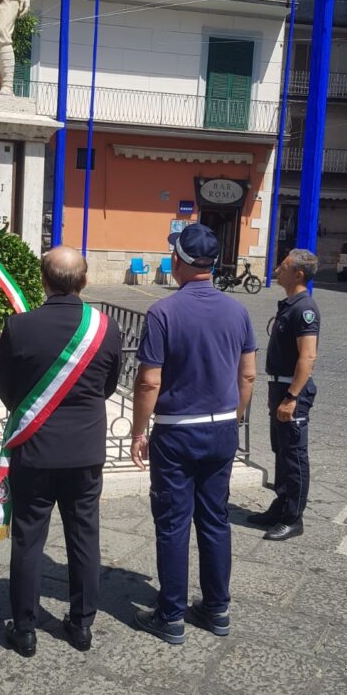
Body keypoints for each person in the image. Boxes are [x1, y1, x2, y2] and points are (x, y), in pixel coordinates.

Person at [130, 224, 257, 644]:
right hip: (220, 429)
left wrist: (138, 431)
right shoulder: (238, 311)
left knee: (172, 523)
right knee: (216, 519)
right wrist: (234, 418)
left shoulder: (164, 312)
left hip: (176, 432)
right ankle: (217, 609)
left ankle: (171, 615)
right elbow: (249, 374)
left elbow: (149, 381)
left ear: (180, 262)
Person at [0, 246, 121, 657]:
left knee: (28, 539)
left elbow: (6, 390)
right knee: (84, 537)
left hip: (34, 449)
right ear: (83, 282)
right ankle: (82, 625)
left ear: (43, 280)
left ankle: (26, 629)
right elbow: (109, 386)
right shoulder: (106, 327)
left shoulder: (19, 326)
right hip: (85, 449)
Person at [247, 249, 320, 542]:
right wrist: (275, 391)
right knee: (281, 451)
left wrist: (291, 397)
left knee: (294, 456)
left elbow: (308, 356)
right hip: (280, 387)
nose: (278, 268)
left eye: (285, 265)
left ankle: (293, 518)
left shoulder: (305, 308)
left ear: (298, 274)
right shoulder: (289, 304)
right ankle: (280, 504)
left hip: (292, 391)